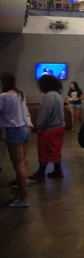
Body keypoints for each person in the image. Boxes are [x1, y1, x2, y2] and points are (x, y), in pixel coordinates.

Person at [0, 72, 30, 208]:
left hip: (14, 130)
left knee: (19, 166)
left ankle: (23, 198)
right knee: (22, 163)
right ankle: (19, 195)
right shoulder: (20, 93)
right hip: (24, 129)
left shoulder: (4, 96)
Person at [29, 75, 65, 182]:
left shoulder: (48, 96)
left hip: (50, 128)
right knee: (56, 150)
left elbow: (44, 114)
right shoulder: (58, 95)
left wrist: (39, 127)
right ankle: (57, 170)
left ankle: (41, 173)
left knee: (44, 150)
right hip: (59, 127)